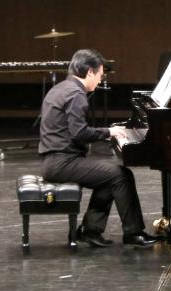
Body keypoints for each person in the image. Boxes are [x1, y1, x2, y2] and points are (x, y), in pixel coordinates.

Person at [38, 49, 159, 248]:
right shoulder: (76, 94)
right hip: (61, 163)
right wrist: (109, 132)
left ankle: (90, 230)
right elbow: (79, 133)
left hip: (53, 160)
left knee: (108, 175)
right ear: (90, 72)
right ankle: (134, 233)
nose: (101, 80)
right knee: (121, 175)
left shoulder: (61, 88)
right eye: (100, 75)